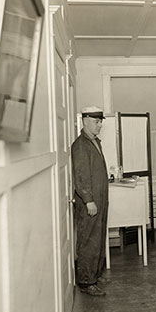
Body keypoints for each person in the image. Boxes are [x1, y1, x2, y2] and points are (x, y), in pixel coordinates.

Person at [71, 106, 109, 296]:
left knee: (98, 237)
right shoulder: (80, 145)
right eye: (96, 121)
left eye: (100, 121)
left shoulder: (94, 142)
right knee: (88, 240)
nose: (100, 125)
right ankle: (87, 281)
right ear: (85, 121)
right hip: (90, 202)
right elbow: (81, 176)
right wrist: (88, 200)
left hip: (99, 199)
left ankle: (95, 274)